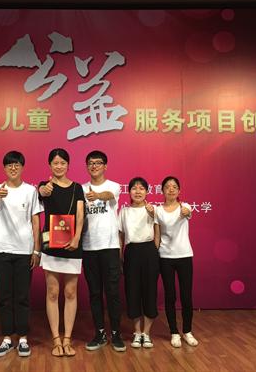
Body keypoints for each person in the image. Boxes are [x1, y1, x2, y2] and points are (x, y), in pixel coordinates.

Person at [0, 151, 42, 358]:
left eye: (17, 164)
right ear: (4, 168)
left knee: (22, 296)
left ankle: (22, 338)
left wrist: (36, 249)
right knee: (5, 297)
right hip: (1, 250)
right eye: (9, 165)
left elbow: (36, 220)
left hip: (24, 250)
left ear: (22, 167)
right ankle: (6, 338)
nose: (13, 168)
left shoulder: (30, 191)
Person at [38, 148, 85, 357]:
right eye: (55, 163)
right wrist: (44, 189)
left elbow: (81, 214)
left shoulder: (77, 188)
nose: (59, 166)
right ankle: (56, 339)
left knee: (71, 292)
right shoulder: (45, 185)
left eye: (62, 163)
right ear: (50, 165)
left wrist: (77, 238)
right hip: (51, 243)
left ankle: (68, 339)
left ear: (68, 165)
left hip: (73, 244)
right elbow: (42, 192)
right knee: (52, 291)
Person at [81, 150, 125, 352]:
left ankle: (116, 333)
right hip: (89, 247)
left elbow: (108, 195)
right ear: (87, 166)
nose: (94, 166)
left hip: (109, 247)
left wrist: (97, 195)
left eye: (98, 163)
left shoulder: (113, 186)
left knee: (113, 292)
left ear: (105, 166)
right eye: (91, 163)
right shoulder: (81, 189)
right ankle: (99, 333)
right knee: (95, 293)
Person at [155, 176, 198, 348]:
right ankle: (174, 332)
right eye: (167, 187)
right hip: (165, 257)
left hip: (184, 255)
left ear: (179, 190)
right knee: (170, 296)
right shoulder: (158, 210)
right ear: (162, 191)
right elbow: (157, 235)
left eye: (174, 186)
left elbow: (188, 213)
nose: (171, 189)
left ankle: (187, 331)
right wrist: (154, 254)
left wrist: (186, 212)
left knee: (186, 296)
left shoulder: (185, 207)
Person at [118, 177, 159, 349]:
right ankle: (136, 332)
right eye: (134, 188)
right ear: (129, 192)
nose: (138, 191)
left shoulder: (153, 209)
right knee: (132, 291)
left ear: (147, 191)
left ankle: (146, 333)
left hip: (149, 251)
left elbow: (158, 231)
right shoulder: (124, 211)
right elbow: (121, 236)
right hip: (131, 251)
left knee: (150, 291)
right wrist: (120, 256)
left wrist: (155, 250)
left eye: (141, 188)